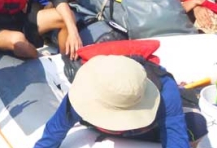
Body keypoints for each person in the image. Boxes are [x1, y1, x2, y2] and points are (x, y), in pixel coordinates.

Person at [35, 55, 207, 148]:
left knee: (197, 125)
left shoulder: (165, 92)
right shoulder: (85, 90)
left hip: (145, 127)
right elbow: (54, 130)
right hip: (97, 126)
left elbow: (175, 137)